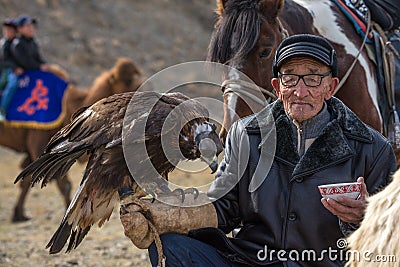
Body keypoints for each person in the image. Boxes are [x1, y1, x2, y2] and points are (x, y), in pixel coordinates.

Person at [121, 34, 398, 266]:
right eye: (290, 78)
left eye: (313, 78)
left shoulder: (371, 148)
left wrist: (363, 216)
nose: (300, 92)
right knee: (171, 248)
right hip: (253, 260)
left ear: (330, 87)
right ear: (277, 87)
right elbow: (225, 206)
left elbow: (388, 239)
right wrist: (170, 215)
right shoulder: (246, 135)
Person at [0, 18, 23, 121]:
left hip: (12, 69)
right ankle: (2, 109)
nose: (8, 33)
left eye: (10, 30)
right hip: (6, 70)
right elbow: (5, 60)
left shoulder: (17, 43)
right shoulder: (4, 43)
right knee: (12, 83)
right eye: (6, 30)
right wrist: (15, 67)